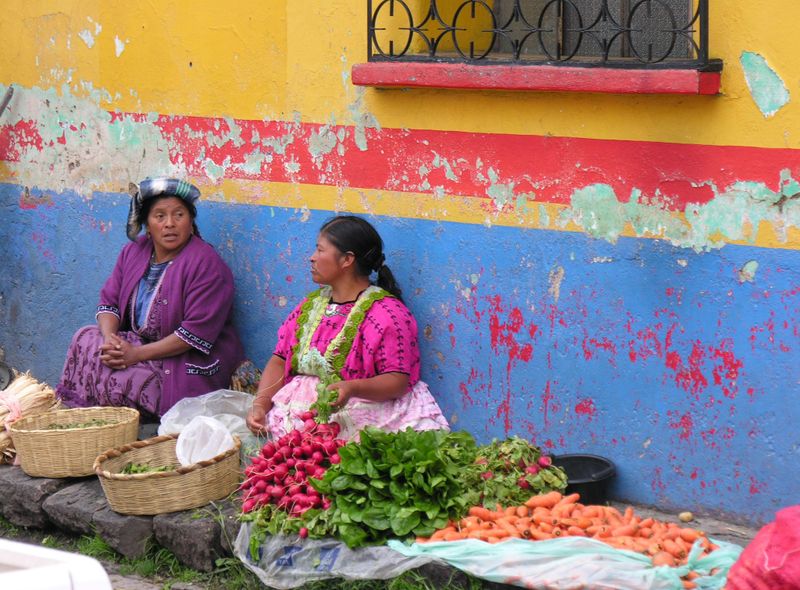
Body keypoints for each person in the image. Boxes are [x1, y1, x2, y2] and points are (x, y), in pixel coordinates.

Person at [246, 215, 449, 440]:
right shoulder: (311, 307)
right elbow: (280, 359)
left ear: (347, 260)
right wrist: (260, 405)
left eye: (320, 250)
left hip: (364, 416)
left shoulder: (387, 314)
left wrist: (352, 388)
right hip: (301, 422)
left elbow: (397, 380)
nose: (312, 257)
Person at [56, 177, 245, 418]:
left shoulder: (207, 265)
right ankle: (93, 419)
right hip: (138, 346)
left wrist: (134, 355)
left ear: (191, 221)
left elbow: (193, 335)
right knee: (86, 338)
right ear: (147, 223)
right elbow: (109, 303)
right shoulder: (134, 251)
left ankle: (123, 418)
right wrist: (111, 340)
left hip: (183, 360)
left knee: (123, 377)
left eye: (179, 215)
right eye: (160, 216)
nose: (170, 224)